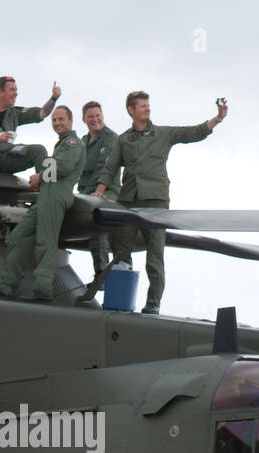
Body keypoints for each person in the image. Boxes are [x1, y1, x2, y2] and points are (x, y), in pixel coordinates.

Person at [92, 92, 228, 313]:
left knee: (155, 255)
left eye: (148, 105)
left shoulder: (163, 134)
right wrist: (99, 190)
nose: (147, 109)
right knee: (120, 252)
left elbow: (192, 133)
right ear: (131, 110)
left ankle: (153, 303)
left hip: (156, 202)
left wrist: (217, 118)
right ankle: (120, 301)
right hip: (129, 202)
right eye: (143, 106)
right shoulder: (124, 139)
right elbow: (110, 168)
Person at [0, 106, 85, 302]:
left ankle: (43, 291)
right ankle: (5, 286)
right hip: (46, 196)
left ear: (71, 121)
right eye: (54, 120)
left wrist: (39, 176)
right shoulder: (61, 144)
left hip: (55, 196)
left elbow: (63, 167)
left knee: (45, 242)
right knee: (18, 237)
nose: (57, 123)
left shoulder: (73, 143)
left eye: (61, 119)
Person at [0, 76, 60, 204]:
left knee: (39, 150)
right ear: (0, 92)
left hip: (5, 157)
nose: (16, 93)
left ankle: (45, 191)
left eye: (16, 90)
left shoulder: (14, 113)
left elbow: (41, 113)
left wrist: (54, 98)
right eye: (12, 90)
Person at [76, 100, 120, 280]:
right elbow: (74, 168)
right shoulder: (82, 142)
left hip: (105, 191)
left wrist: (91, 194)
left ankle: (102, 273)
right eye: (91, 117)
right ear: (84, 119)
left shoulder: (110, 138)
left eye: (98, 116)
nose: (95, 120)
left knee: (95, 220)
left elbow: (104, 169)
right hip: (84, 192)